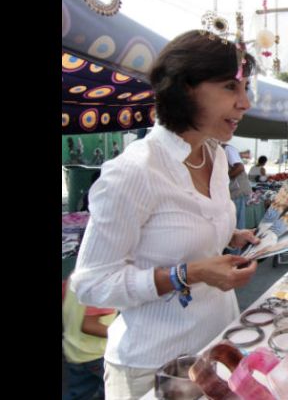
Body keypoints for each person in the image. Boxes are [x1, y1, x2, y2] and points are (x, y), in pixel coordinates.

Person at [70, 30, 262, 399]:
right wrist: (188, 274)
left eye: (245, 89)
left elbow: (179, 232)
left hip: (217, 348)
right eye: (230, 88)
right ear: (186, 89)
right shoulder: (134, 171)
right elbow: (91, 283)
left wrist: (229, 236)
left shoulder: (216, 156)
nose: (245, 103)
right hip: (155, 368)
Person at [62, 277, 117, 400]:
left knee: (77, 393)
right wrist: (120, 333)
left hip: (73, 350)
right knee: (114, 391)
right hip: (96, 354)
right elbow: (88, 325)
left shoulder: (75, 276)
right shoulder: (102, 285)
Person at [224, 142, 252, 230]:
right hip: (232, 192)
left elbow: (239, 167)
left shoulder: (227, 149)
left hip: (237, 191)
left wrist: (223, 178)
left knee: (237, 224)